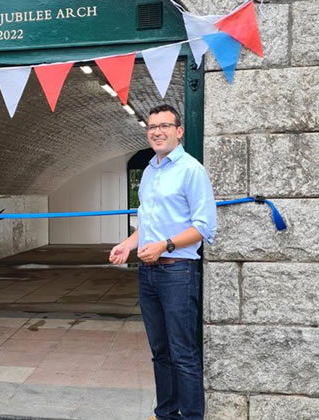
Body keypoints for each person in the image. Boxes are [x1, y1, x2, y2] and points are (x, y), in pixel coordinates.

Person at [109, 105, 216, 420]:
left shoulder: (191, 170)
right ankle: (166, 413)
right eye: (151, 126)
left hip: (177, 273)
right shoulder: (149, 172)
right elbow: (146, 227)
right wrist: (128, 246)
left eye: (164, 125)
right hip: (148, 273)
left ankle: (192, 416)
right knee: (160, 353)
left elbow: (204, 228)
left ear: (179, 131)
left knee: (183, 354)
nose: (156, 131)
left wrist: (165, 245)